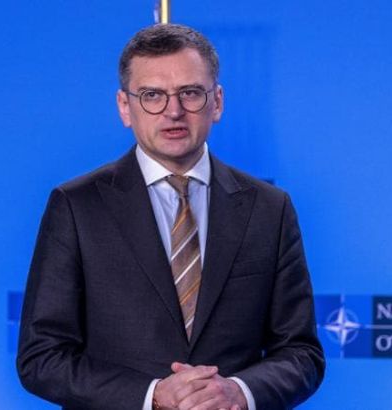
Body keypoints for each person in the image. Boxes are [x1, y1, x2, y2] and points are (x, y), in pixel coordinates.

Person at [17, 23, 324, 410]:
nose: (173, 111)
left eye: (190, 93)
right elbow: (41, 358)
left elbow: (301, 353)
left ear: (217, 102)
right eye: (152, 95)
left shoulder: (269, 208)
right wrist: (152, 395)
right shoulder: (77, 206)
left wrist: (239, 392)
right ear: (125, 107)